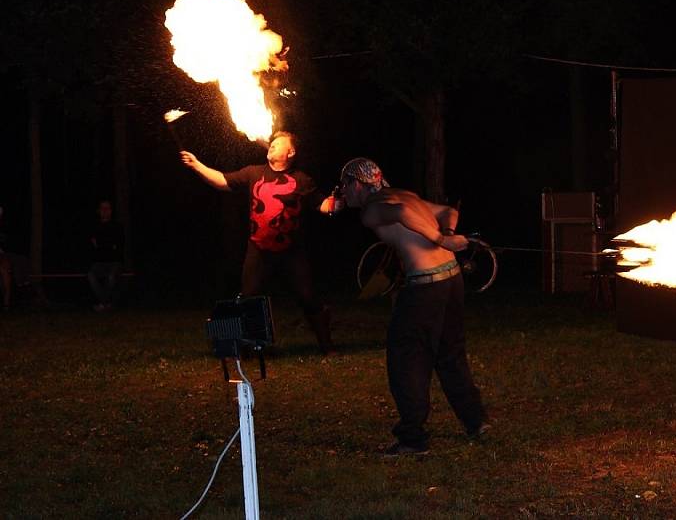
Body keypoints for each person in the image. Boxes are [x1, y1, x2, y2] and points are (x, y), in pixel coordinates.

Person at [330, 157, 488, 456]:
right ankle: (475, 421)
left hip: (427, 286)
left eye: (344, 186)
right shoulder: (404, 194)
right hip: (452, 280)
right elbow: (447, 211)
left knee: (406, 357)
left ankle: (412, 439)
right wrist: (451, 236)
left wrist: (440, 238)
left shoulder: (371, 209)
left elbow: (401, 214)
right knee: (449, 351)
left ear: (358, 184)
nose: (342, 193)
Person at [180, 131, 335, 355]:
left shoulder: (302, 179)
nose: (271, 145)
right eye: (271, 143)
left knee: (307, 296)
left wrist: (335, 204)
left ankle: (326, 345)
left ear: (290, 152)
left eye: (278, 143)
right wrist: (197, 165)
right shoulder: (253, 172)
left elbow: (322, 205)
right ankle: (247, 346)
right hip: (259, 249)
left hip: (291, 250)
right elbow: (223, 181)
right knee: (249, 296)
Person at [88, 200, 125, 312]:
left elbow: (118, 245)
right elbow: (93, 244)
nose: (105, 211)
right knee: (90, 275)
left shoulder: (117, 226)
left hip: (115, 262)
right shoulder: (94, 226)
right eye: (102, 209)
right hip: (99, 262)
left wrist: (101, 244)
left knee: (111, 277)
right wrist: (107, 244)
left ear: (111, 211)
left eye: (107, 208)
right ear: (99, 211)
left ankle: (103, 304)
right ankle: (107, 304)